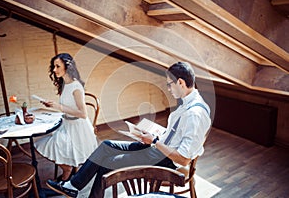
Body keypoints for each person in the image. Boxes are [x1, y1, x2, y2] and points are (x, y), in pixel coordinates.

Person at [46, 61, 211, 198]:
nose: (168, 88)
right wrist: (154, 136)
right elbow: (174, 135)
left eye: (169, 84)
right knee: (107, 145)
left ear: (180, 82)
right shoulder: (188, 103)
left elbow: (183, 159)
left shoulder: (195, 114)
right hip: (158, 147)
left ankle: (75, 188)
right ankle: (72, 186)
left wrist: (153, 141)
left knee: (106, 163)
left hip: (165, 161)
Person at [35, 53, 98, 182]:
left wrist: (59, 107)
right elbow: (66, 106)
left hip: (77, 128)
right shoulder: (64, 84)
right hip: (67, 124)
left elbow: (83, 113)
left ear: (67, 67)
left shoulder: (76, 87)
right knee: (43, 144)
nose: (54, 70)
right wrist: (52, 105)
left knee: (49, 145)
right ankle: (67, 170)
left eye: (57, 66)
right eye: (54, 66)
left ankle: (67, 171)